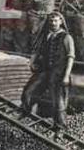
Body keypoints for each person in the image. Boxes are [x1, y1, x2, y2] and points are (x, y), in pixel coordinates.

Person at [19, 11, 75, 139]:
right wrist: (32, 62)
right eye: (51, 21)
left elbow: (71, 57)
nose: (53, 23)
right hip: (45, 71)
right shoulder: (46, 35)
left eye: (56, 21)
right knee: (29, 90)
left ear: (61, 22)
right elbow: (37, 50)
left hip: (59, 73)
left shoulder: (67, 37)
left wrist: (66, 76)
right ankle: (25, 111)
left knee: (58, 103)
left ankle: (60, 128)